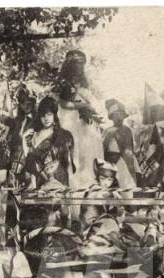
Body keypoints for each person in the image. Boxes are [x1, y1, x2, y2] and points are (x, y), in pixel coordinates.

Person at [55, 50, 104, 189]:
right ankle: (73, 184)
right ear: (70, 64)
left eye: (82, 63)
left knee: (87, 153)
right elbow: (63, 102)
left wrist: (92, 112)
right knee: (74, 151)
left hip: (83, 122)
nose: (80, 66)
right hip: (70, 119)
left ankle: (88, 184)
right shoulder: (65, 82)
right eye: (77, 63)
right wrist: (83, 105)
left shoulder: (82, 83)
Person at [24, 96, 75, 189]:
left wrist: (71, 187)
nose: (46, 118)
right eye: (43, 115)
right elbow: (30, 163)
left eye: (49, 114)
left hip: (60, 182)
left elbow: (69, 164)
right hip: (40, 183)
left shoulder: (65, 135)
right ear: (39, 117)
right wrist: (23, 139)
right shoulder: (34, 135)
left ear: (54, 115)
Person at [102, 99, 141, 188]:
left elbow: (130, 151)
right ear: (112, 117)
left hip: (126, 164)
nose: (119, 118)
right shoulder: (107, 131)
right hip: (111, 165)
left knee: (128, 189)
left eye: (121, 115)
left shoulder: (127, 130)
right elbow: (102, 151)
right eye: (116, 115)